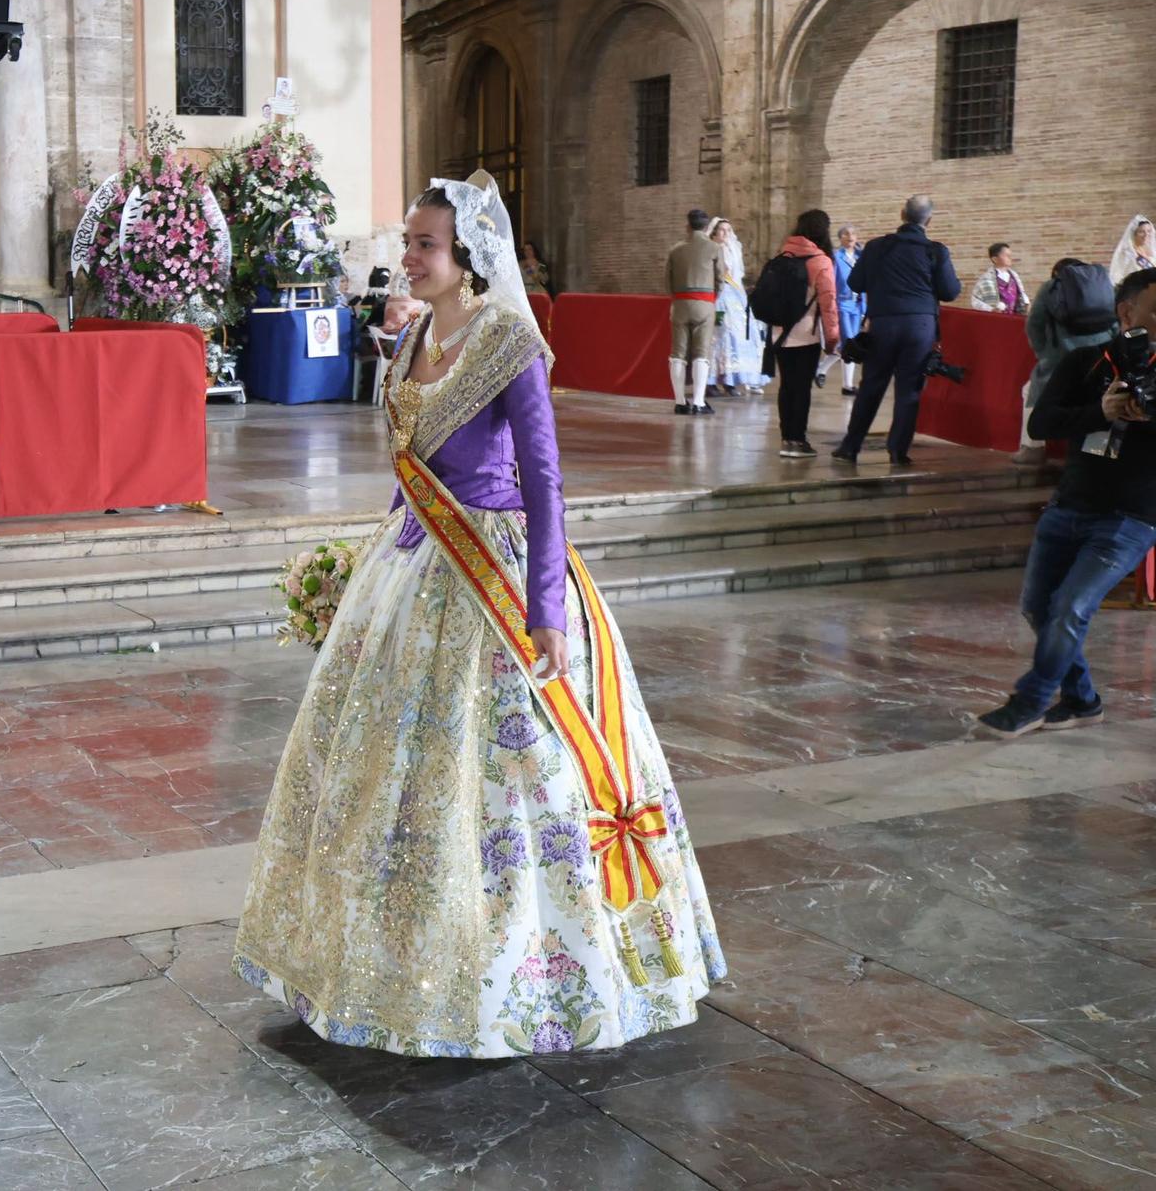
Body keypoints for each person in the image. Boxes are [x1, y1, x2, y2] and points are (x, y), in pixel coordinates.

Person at [235, 172, 725, 1058]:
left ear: (468, 259)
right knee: (386, 777)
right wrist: (366, 571)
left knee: (512, 781)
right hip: (414, 570)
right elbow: (405, 474)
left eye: (424, 244)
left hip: (495, 578)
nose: (408, 258)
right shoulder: (413, 335)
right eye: (409, 243)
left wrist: (547, 609)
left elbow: (545, 481)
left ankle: (524, 970)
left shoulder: (508, 340)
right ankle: (382, 964)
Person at [977, 269, 1156, 736]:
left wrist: (1155, 414)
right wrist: (1099, 412)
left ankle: (1029, 701)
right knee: (1038, 608)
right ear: (1126, 311)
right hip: (1070, 505)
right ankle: (1082, 700)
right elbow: (1042, 423)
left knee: (1070, 607)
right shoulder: (1087, 362)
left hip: (1133, 517)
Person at [831, 195, 961, 468]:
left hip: (883, 325)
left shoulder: (877, 247)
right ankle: (898, 452)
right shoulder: (936, 250)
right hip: (920, 327)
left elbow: (855, 283)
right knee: (910, 390)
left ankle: (850, 447)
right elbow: (950, 292)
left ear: (902, 214)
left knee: (871, 387)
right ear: (929, 220)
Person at [1017, 258, 1117, 466]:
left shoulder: (1051, 288)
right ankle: (1100, 452)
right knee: (1102, 401)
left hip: (1060, 357)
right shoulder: (1106, 287)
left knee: (1031, 392)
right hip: (1101, 356)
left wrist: (1043, 352)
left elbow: (1034, 324)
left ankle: (1032, 450)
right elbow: (1117, 321)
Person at [770, 210, 841, 458]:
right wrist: (832, 338)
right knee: (801, 389)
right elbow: (829, 302)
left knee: (787, 386)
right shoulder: (821, 261)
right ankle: (798, 441)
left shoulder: (783, 254)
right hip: (805, 334)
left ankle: (786, 439)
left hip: (778, 333)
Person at [665, 208, 724, 414]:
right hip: (705, 303)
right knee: (701, 353)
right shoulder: (715, 248)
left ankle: (680, 402)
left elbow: (668, 282)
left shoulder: (675, 249)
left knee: (677, 354)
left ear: (687, 225)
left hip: (680, 304)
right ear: (707, 227)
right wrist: (711, 299)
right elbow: (720, 280)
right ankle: (699, 402)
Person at [708, 218, 766, 396]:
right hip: (717, 297)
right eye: (722, 230)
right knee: (719, 334)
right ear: (714, 233)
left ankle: (730, 380)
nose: (726, 233)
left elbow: (736, 276)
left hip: (734, 296)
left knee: (739, 335)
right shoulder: (709, 249)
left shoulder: (733, 249)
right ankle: (711, 381)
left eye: (728, 230)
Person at [830, 224, 866, 395]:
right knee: (849, 342)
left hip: (858, 304)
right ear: (840, 238)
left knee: (851, 342)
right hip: (843, 303)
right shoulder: (837, 257)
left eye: (853, 233)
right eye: (846, 234)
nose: (850, 236)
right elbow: (832, 281)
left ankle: (821, 371)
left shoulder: (862, 257)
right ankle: (847, 385)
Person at [969, 243, 1028, 315]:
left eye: (1010, 255)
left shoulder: (1015, 277)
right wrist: (991, 309)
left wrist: (1026, 304)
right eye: (1006, 255)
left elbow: (1022, 294)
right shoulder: (986, 279)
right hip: (996, 319)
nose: (1010, 258)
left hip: (1015, 317)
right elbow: (975, 301)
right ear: (995, 259)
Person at [1108, 215, 1156, 286]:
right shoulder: (1126, 254)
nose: (1146, 235)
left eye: (1149, 231)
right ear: (1134, 234)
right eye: (1141, 232)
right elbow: (1118, 277)